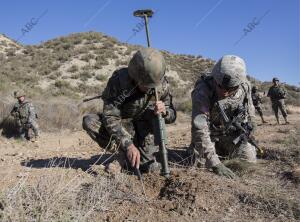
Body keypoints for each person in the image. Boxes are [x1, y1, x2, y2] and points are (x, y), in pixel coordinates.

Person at [82, 48, 176, 173]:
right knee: (90, 121)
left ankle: (136, 154)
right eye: (145, 85)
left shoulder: (161, 85)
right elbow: (110, 116)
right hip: (123, 127)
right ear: (134, 77)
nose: (149, 89)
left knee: (148, 168)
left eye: (151, 85)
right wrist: (127, 145)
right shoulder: (119, 82)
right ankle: (121, 154)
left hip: (144, 129)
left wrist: (165, 112)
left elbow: (172, 115)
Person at [190, 55, 257, 179]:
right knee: (199, 166)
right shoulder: (203, 91)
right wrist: (215, 164)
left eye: (230, 89)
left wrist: (251, 128)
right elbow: (199, 129)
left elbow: (250, 109)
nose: (224, 92)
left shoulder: (245, 86)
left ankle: (222, 150)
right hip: (209, 135)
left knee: (249, 161)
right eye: (220, 86)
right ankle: (213, 151)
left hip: (231, 135)